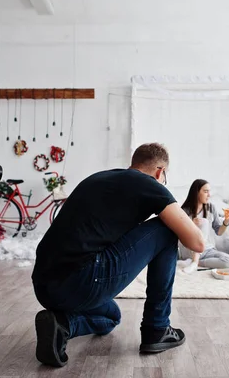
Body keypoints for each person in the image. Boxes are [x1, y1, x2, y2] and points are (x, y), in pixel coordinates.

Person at [32, 143, 205, 367]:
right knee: (167, 230)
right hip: (83, 280)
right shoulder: (151, 185)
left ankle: (63, 324)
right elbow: (197, 243)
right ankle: (157, 328)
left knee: (111, 316)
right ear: (160, 171)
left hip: (44, 286)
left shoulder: (98, 178)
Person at [177, 179, 229, 273]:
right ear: (196, 193)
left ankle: (195, 263)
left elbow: (219, 232)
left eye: (209, 191)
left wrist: (226, 221)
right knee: (204, 222)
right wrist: (191, 223)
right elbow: (178, 233)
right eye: (205, 191)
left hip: (206, 250)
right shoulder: (184, 210)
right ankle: (194, 260)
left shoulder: (211, 208)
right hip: (189, 249)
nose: (209, 195)